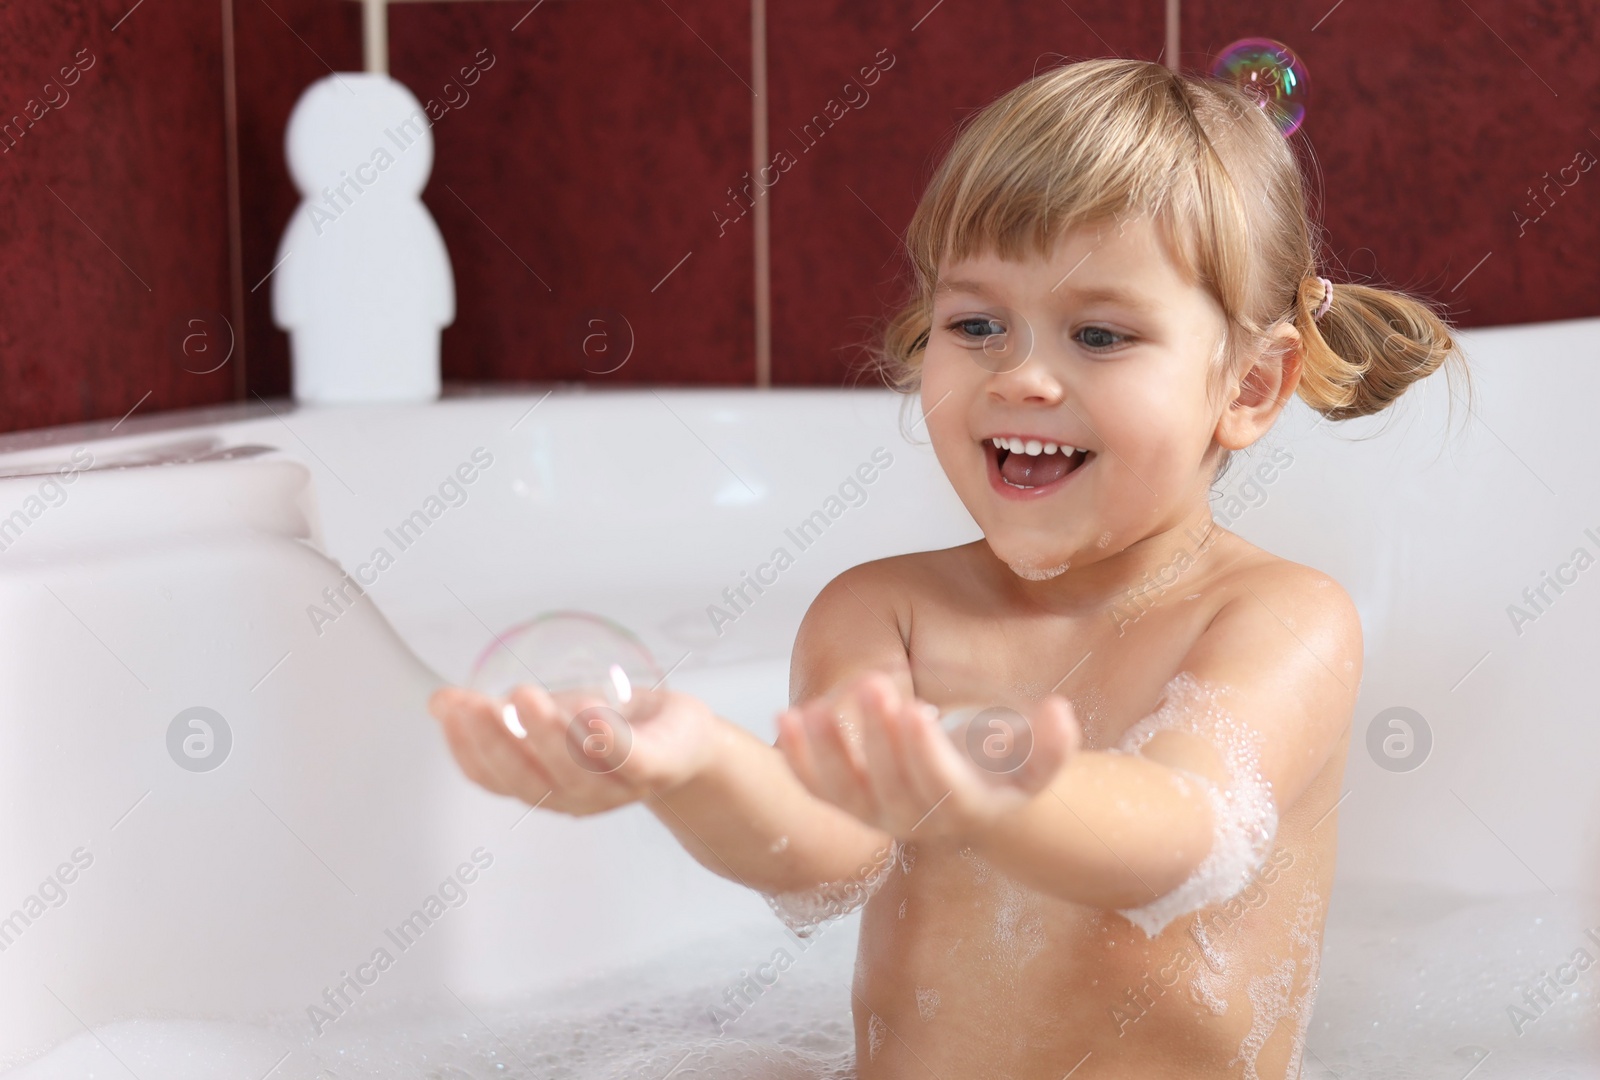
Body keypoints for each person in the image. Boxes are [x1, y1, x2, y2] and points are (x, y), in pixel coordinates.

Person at [429, 57, 1463, 1078]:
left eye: (1098, 335)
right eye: (976, 325)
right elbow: (827, 853)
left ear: (1247, 384)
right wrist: (697, 766)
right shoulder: (884, 613)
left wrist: (991, 792)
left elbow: (1186, 835)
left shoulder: (1277, 617)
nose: (1020, 375)